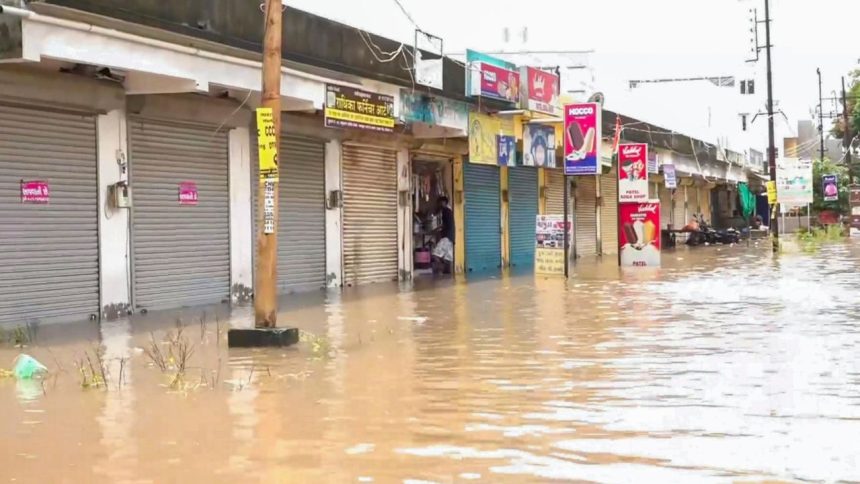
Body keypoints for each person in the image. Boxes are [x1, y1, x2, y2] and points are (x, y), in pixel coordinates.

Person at [432, 196, 455, 274]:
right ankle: (448, 277)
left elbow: (446, 224)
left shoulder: (445, 211)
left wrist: (437, 229)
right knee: (447, 259)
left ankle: (439, 272)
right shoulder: (449, 211)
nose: (439, 204)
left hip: (446, 237)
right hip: (451, 237)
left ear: (444, 202)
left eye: (440, 202)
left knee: (435, 255)